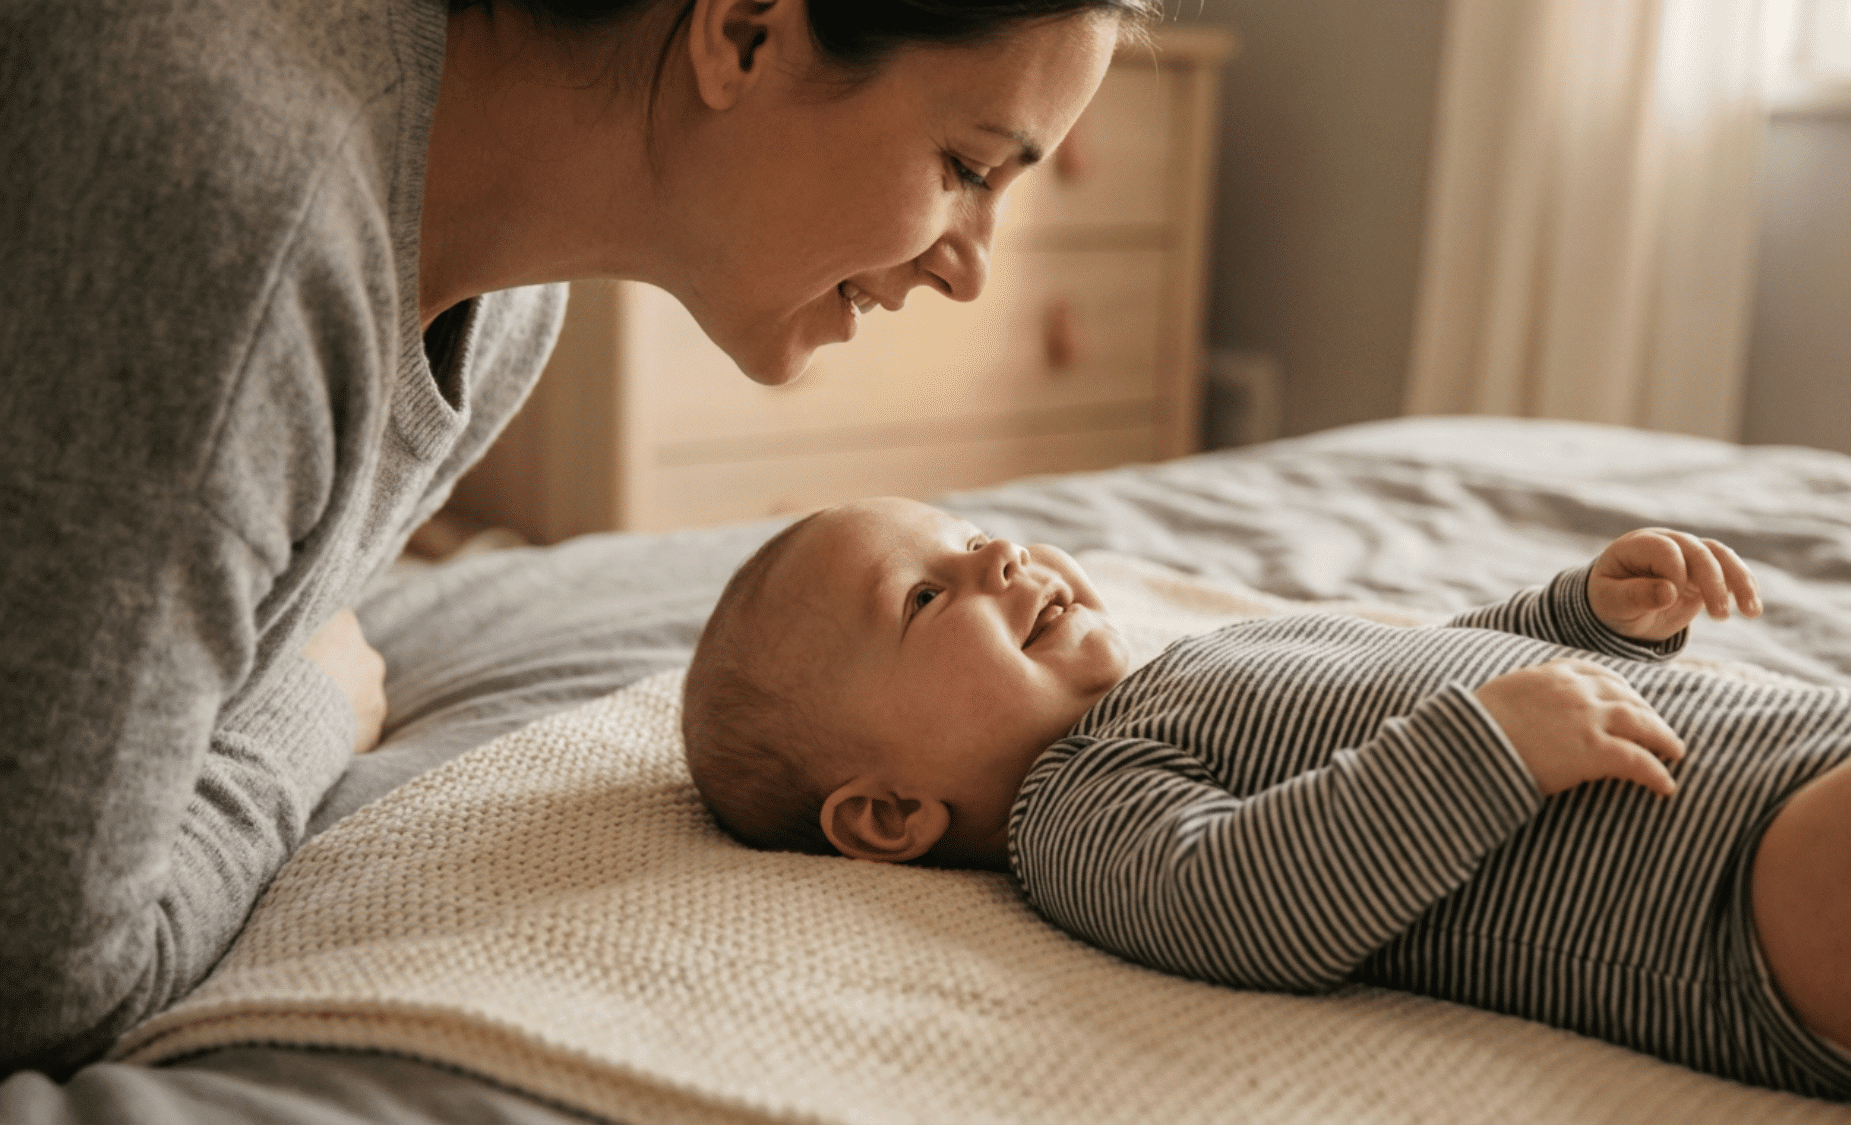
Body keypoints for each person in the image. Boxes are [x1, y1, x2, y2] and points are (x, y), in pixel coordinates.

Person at [0, 0, 1151, 1076]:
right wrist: (317, 705)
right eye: (965, 168)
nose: (971, 267)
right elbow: (49, 981)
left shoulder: (502, 317)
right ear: (747, 30)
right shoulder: (236, 213)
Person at [682, 495, 1851, 1105]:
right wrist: (1487, 751)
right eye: (927, 596)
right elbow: (1248, 899)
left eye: (973, 534)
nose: (1000, 558)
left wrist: (1576, 619)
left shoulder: (1195, 663)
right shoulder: (1073, 813)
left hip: (1828, 750)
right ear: (887, 817)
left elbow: (1431, 663)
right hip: (1755, 911)